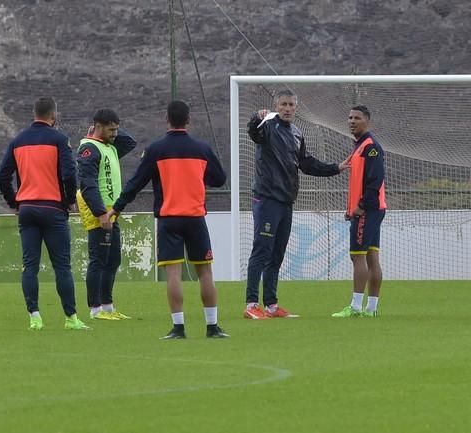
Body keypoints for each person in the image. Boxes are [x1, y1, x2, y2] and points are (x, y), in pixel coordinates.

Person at [109, 100, 229, 339]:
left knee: (173, 274)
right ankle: (212, 327)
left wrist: (118, 207)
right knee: (205, 272)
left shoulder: (156, 150)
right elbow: (219, 179)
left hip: (169, 218)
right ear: (188, 120)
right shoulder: (201, 149)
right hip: (195, 218)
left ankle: (179, 328)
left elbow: (136, 182)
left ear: (167, 119)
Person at [243, 89, 349, 320]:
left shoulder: (297, 132)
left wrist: (335, 167)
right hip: (267, 198)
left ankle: (271, 305)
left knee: (277, 254)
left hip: (286, 201)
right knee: (261, 250)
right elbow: (253, 132)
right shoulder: (266, 126)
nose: (288, 108)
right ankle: (251, 304)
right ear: (276, 106)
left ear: (295, 107)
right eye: (283, 104)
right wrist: (256, 117)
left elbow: (305, 163)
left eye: (291, 104)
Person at [0, 97, 89, 331]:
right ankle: (71, 318)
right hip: (52, 208)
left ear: (33, 113)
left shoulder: (18, 141)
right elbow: (69, 174)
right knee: (62, 266)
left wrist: (14, 201)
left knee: (30, 266)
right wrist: (69, 200)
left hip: (27, 209)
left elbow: (2, 176)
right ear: (54, 115)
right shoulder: (59, 140)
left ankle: (34, 316)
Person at [76, 109, 136, 321]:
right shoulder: (89, 149)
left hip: (112, 212)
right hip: (99, 212)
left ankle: (108, 306)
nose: (115, 134)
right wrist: (101, 213)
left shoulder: (108, 146)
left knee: (113, 260)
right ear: (98, 127)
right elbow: (88, 184)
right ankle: (94, 308)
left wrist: (112, 130)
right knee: (98, 260)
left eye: (116, 129)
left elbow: (131, 142)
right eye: (111, 129)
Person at [332, 105, 386, 318]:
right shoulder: (359, 146)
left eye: (357, 118)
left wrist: (360, 207)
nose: (352, 121)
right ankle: (371, 309)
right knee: (372, 257)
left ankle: (355, 307)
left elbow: (375, 181)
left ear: (367, 122)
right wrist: (351, 208)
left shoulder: (370, 147)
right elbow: (359, 181)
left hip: (368, 210)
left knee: (358, 256)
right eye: (349, 117)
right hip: (369, 209)